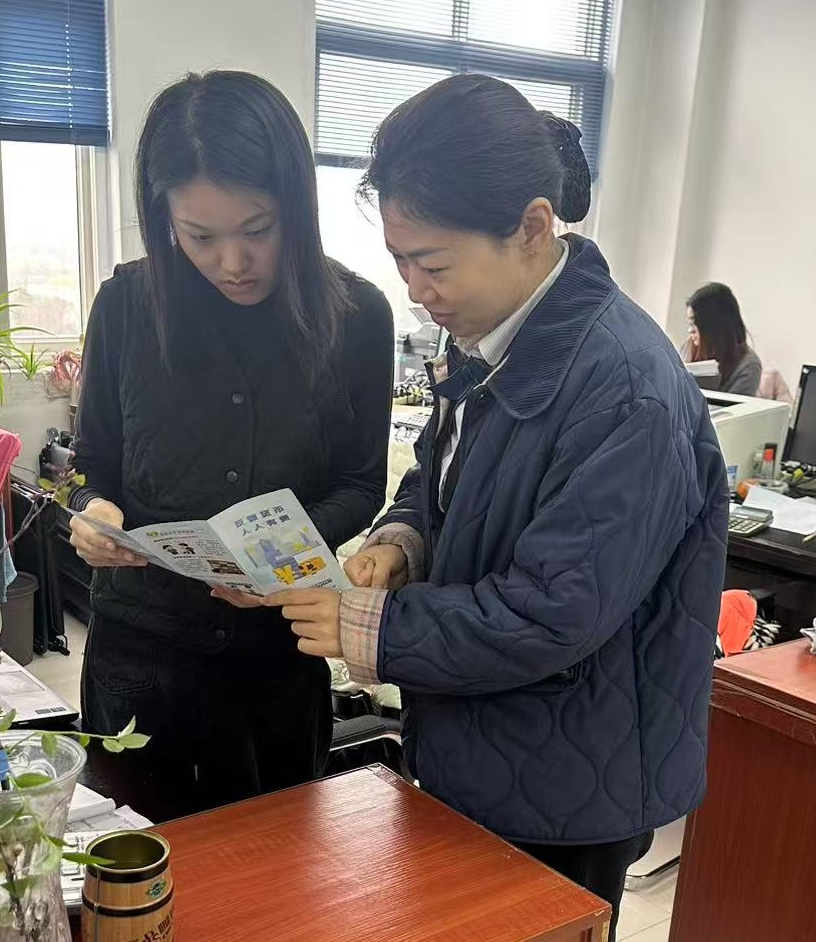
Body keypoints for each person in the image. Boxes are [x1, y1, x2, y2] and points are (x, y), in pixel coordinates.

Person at [265, 74, 728, 939]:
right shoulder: (492, 334)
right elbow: (443, 476)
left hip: (567, 781)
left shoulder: (625, 390)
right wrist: (403, 538)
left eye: (434, 263)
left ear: (533, 227)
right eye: (401, 261)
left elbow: (554, 609)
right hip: (477, 742)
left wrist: (371, 628)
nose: (415, 289)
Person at [68, 71, 393, 819]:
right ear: (164, 218)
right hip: (140, 658)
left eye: (258, 230)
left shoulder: (356, 317)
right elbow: (91, 464)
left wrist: (275, 559)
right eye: (200, 237)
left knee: (277, 867)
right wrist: (94, 511)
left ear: (296, 209)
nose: (233, 263)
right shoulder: (126, 307)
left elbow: (359, 482)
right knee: (138, 863)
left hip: (277, 655)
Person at [682, 282, 763, 396]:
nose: (690, 330)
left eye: (695, 323)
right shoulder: (687, 348)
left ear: (714, 327)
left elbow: (736, 407)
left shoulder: (748, 366)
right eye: (690, 323)